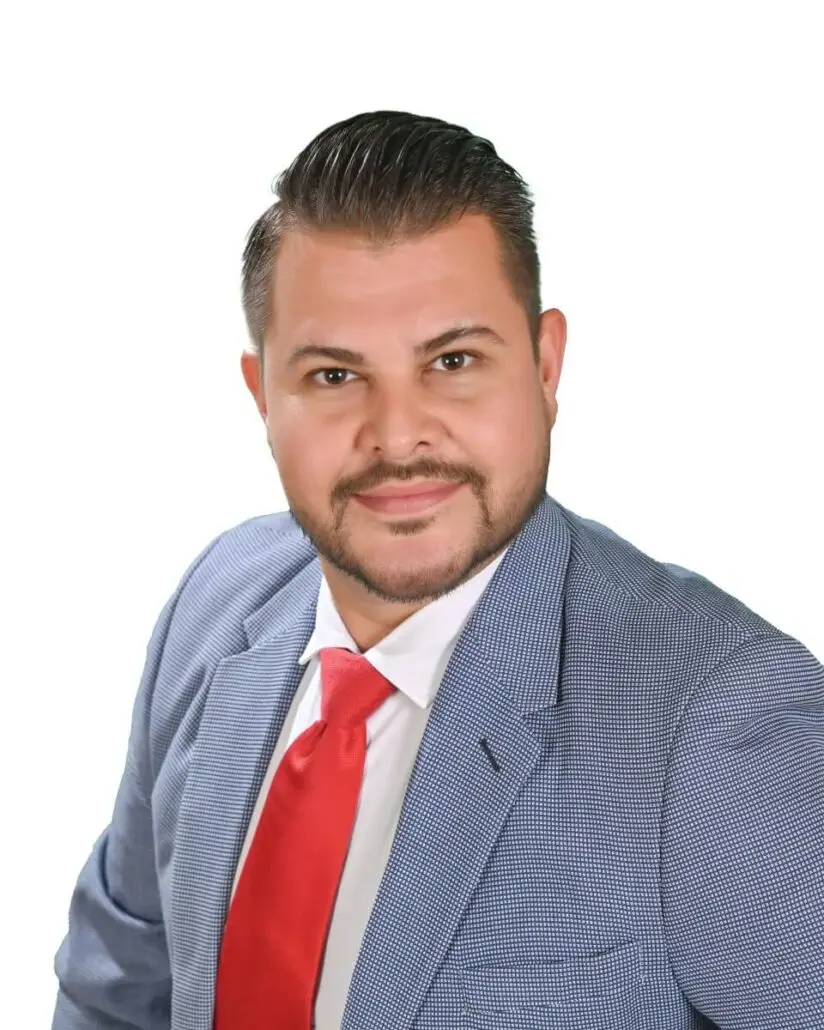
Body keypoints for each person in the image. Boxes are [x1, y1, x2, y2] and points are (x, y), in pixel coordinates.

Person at [51, 110, 823, 1030]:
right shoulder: (217, 602)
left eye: (453, 362)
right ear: (263, 395)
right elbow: (116, 992)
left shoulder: (720, 720)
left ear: (544, 366)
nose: (399, 435)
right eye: (335, 376)